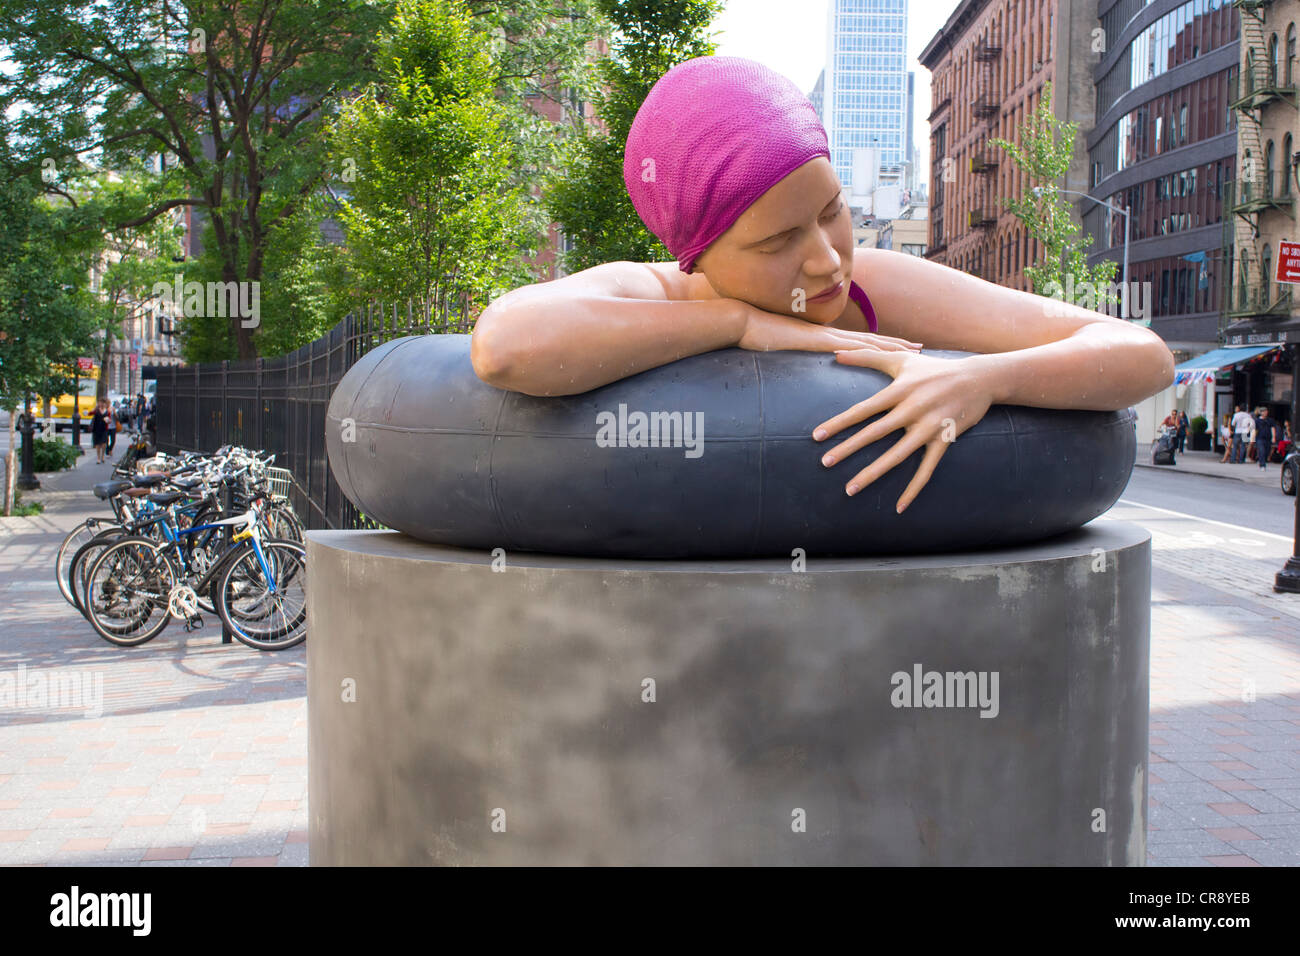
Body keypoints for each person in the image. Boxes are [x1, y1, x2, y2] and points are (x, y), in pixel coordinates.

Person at [469, 57, 1175, 512]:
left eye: (832, 212)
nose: (827, 262)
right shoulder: (654, 290)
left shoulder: (875, 286)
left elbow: (1141, 353)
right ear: (697, 256)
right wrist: (738, 327)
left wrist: (984, 379)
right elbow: (504, 347)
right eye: (778, 240)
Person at [90, 399, 110, 464]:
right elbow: (89, 413)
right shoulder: (96, 410)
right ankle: (98, 458)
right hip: (96, 429)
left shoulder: (107, 411)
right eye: (100, 403)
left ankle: (103, 456)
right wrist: (94, 409)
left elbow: (109, 420)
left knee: (104, 443)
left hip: (104, 429)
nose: (102, 404)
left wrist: (108, 421)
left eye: (103, 403)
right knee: (98, 444)